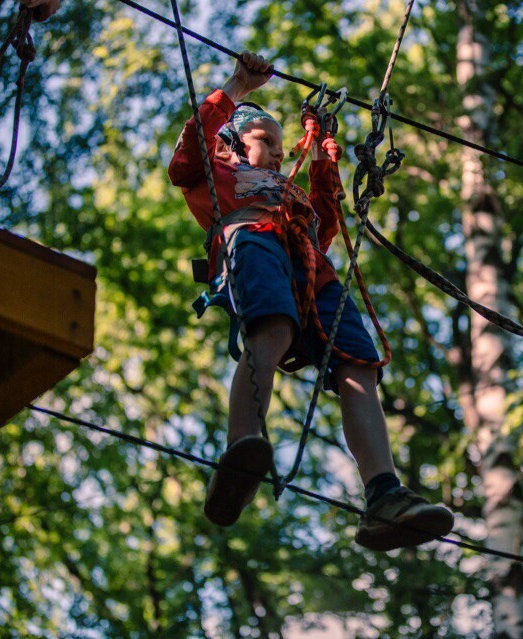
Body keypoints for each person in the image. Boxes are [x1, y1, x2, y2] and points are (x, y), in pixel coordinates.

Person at [168, 51, 453, 552]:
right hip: (252, 238)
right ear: (232, 143)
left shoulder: (288, 190)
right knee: (272, 331)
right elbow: (186, 154)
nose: (279, 155)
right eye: (266, 142)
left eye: (282, 147)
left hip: (312, 268)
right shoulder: (216, 171)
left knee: (358, 365)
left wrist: (321, 144)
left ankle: (383, 494)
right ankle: (241, 451)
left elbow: (325, 217)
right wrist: (238, 86)